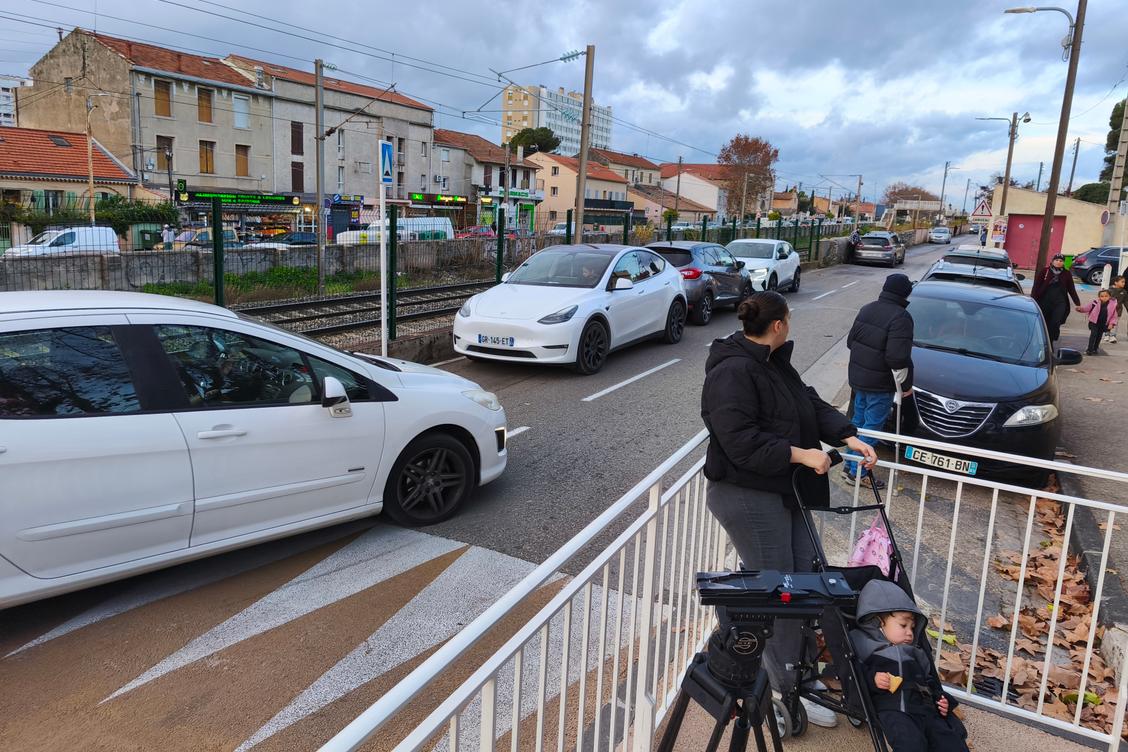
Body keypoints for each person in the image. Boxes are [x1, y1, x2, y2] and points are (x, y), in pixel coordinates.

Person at [700, 290, 878, 728]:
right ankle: (783, 687)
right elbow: (739, 440)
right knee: (779, 592)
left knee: (805, 580)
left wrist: (848, 436)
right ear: (778, 324)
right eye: (789, 319)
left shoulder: (772, 362)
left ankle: (800, 676)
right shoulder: (734, 371)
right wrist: (800, 455)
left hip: (780, 490)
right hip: (747, 493)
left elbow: (809, 404)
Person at [851, 580, 969, 751]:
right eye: (903, 625)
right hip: (894, 709)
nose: (910, 633)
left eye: (913, 628)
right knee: (911, 744)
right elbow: (852, 671)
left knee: (951, 742)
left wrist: (941, 700)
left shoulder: (916, 652)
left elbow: (930, 681)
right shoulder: (864, 644)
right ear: (877, 622)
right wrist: (872, 678)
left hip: (925, 708)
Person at [844, 273, 915, 488]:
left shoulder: (867, 309)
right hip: (880, 383)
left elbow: (850, 342)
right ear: (905, 293)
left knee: (857, 423)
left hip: (858, 379)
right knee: (872, 426)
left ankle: (849, 464)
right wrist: (905, 386)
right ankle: (859, 473)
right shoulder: (901, 317)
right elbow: (897, 358)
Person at [1031, 254, 1080, 344]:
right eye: (1056, 260)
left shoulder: (1066, 273)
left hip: (1060, 302)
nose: (1058, 262)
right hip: (1045, 301)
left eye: (1061, 261)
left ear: (1063, 263)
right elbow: (1036, 287)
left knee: (1055, 322)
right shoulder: (1044, 271)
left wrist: (1077, 303)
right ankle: (1042, 342)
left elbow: (1071, 289)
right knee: (1043, 322)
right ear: (1053, 261)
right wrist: (1032, 300)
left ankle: (1051, 341)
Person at [1077, 289, 1118, 356]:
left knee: (1099, 336)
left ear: (1109, 296)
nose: (1104, 298)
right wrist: (1080, 309)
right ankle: (1089, 350)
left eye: (1106, 296)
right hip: (1094, 322)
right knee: (1093, 334)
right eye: (1102, 296)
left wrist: (1111, 324)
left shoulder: (1113, 305)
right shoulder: (1095, 302)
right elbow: (1086, 308)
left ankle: (1095, 349)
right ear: (1099, 297)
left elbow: (1114, 316)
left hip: (1104, 324)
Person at [1106, 275, 1126, 344]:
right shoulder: (1110, 290)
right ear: (1116, 282)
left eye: (1124, 282)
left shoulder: (1124, 292)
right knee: (1108, 322)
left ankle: (1113, 336)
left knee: (1115, 324)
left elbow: (1126, 302)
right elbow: (1105, 299)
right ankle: (1107, 334)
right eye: (1122, 282)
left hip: (1118, 311)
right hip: (1109, 311)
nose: (1124, 283)